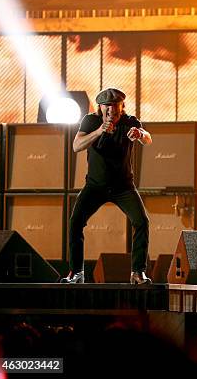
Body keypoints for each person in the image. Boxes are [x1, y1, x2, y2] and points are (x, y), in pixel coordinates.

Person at [61, 88, 153, 284]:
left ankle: (138, 272)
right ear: (100, 108)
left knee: (142, 222)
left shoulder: (130, 121)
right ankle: (76, 272)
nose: (111, 110)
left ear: (122, 106)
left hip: (123, 187)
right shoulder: (91, 121)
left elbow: (148, 139)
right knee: (75, 223)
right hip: (95, 186)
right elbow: (77, 146)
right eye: (107, 106)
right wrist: (99, 131)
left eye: (115, 106)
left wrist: (140, 133)